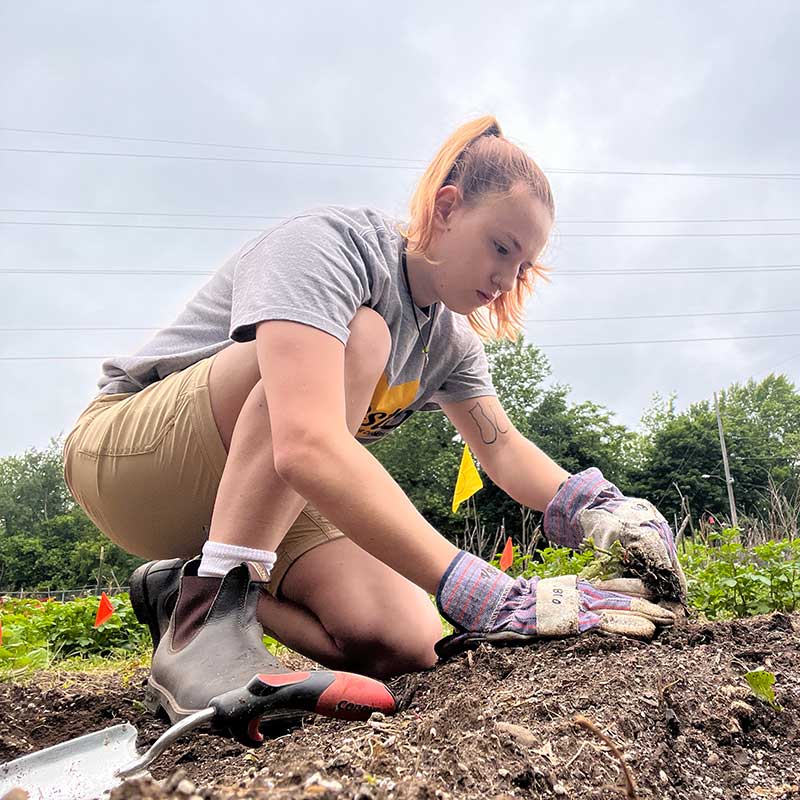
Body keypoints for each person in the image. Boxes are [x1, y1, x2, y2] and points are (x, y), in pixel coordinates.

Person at [62, 116, 685, 726]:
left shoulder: (451, 344)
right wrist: (490, 594)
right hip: (131, 460)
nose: (506, 279)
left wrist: (600, 506)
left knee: (405, 640)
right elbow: (306, 444)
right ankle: (210, 616)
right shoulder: (332, 247)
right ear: (446, 208)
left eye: (523, 267)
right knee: (364, 336)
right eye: (501, 247)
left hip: (257, 488)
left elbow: (503, 451)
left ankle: (181, 592)